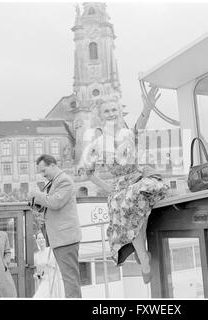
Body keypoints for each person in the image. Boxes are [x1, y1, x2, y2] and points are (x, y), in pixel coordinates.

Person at [78, 86, 169, 284]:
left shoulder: (128, 133)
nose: (111, 114)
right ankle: (143, 255)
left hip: (138, 178)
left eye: (114, 110)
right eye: (107, 111)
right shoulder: (98, 143)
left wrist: (148, 108)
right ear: (101, 116)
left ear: (119, 112)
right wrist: (106, 187)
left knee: (134, 197)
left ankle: (142, 255)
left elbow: (140, 126)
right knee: (126, 201)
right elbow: (88, 171)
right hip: (120, 188)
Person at [28, 154, 82, 298]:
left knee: (70, 279)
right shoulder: (54, 181)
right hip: (61, 238)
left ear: (52, 165)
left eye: (43, 171)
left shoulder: (64, 181)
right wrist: (35, 201)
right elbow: (49, 204)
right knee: (69, 278)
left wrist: (37, 194)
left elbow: (55, 202)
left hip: (65, 239)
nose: (43, 175)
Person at [0, 214, 17, 298]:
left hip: (0, 269)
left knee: (4, 293)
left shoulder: (3, 235)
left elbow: (8, 252)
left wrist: (5, 263)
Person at [33, 231, 64, 298]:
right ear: (36, 241)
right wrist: (37, 275)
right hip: (45, 280)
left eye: (42, 238)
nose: (41, 240)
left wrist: (51, 265)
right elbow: (39, 272)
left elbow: (58, 267)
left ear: (45, 239)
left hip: (54, 280)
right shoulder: (36, 255)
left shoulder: (50, 250)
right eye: (39, 238)